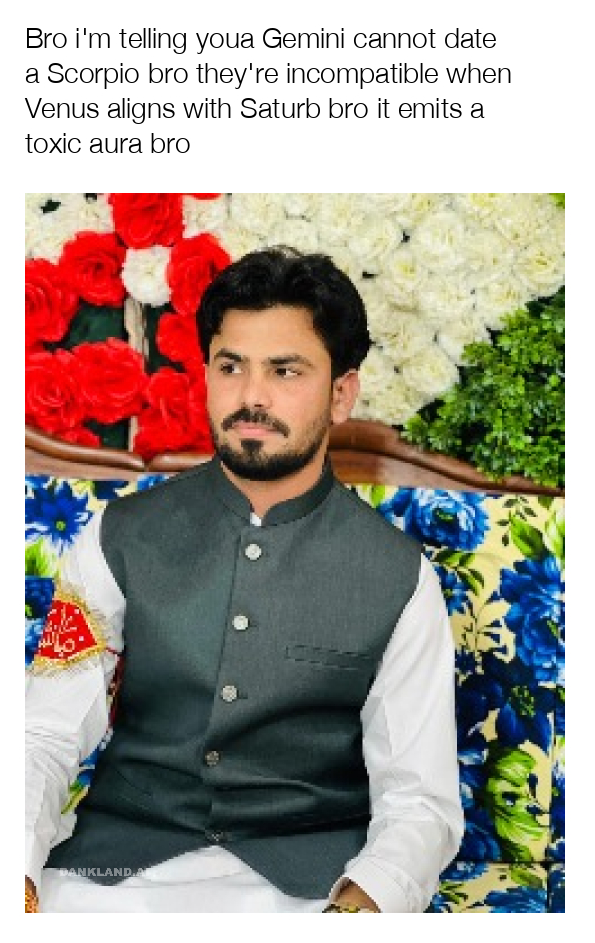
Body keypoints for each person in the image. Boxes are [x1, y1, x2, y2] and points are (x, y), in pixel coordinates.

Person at [25, 247, 463, 913]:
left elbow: (420, 800)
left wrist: (359, 907)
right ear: (206, 374)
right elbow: (45, 732)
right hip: (108, 874)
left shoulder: (399, 577)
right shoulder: (116, 538)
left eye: (285, 371)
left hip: (310, 889)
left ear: (341, 393)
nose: (252, 396)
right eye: (231, 367)